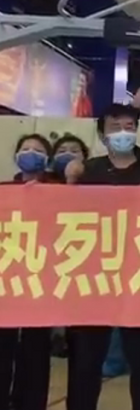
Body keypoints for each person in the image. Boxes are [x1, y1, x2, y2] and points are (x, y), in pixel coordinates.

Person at [65, 103, 140, 410]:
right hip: (94, 279)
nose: (123, 133)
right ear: (102, 135)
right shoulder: (88, 172)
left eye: (129, 127)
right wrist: (68, 183)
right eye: (115, 127)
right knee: (86, 361)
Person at [0, 134, 55, 410]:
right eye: (25, 148)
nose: (31, 153)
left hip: (41, 282)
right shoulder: (4, 191)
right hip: (6, 282)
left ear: (48, 159)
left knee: (36, 349)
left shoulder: (61, 194)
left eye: (38, 149)